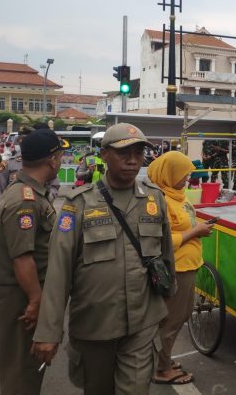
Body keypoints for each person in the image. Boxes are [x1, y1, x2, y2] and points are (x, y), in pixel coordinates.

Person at [31, 123, 176, 394]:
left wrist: (166, 305)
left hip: (142, 321)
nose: (133, 160)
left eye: (139, 152)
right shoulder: (79, 204)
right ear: (105, 154)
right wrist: (48, 332)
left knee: (134, 389)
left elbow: (166, 257)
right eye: (124, 153)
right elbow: (58, 272)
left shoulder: (154, 198)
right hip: (95, 325)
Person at [0, 129, 64, 395]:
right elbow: (22, 257)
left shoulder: (30, 191)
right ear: (52, 160)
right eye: (60, 155)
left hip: (22, 293)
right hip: (20, 298)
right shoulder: (25, 199)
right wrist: (35, 300)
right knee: (20, 373)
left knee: (27, 369)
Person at [147, 151, 214, 385]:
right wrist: (196, 232)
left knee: (179, 316)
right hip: (176, 267)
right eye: (183, 174)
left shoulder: (177, 195)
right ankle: (161, 368)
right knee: (172, 320)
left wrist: (198, 227)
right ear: (168, 174)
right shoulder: (159, 200)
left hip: (188, 264)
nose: (187, 178)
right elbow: (160, 240)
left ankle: (162, 359)